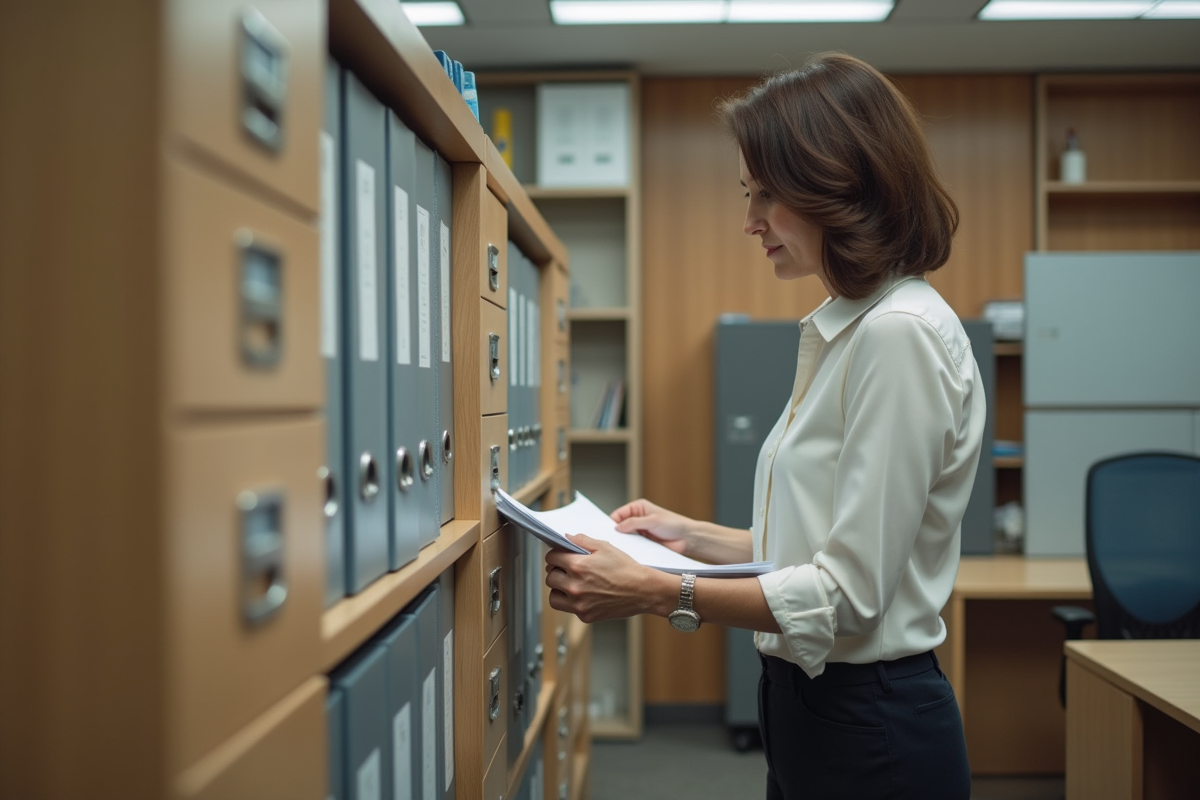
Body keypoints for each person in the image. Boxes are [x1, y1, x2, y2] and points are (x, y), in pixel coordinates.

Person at [544, 52, 983, 800]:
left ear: (839, 184)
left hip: (871, 727)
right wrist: (692, 538)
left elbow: (847, 596)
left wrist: (659, 588)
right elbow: (825, 545)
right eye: (749, 194)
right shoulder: (853, 327)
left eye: (767, 195)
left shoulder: (898, 337)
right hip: (811, 711)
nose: (749, 222)